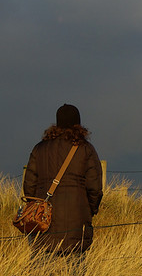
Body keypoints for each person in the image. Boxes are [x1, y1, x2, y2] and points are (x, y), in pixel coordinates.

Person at [22, 104, 103, 258]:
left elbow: (29, 186)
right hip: (77, 221)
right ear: (78, 124)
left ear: (57, 123)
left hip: (44, 222)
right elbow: (95, 188)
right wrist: (89, 210)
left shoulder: (39, 149)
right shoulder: (86, 149)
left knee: (41, 275)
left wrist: (35, 208)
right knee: (76, 274)